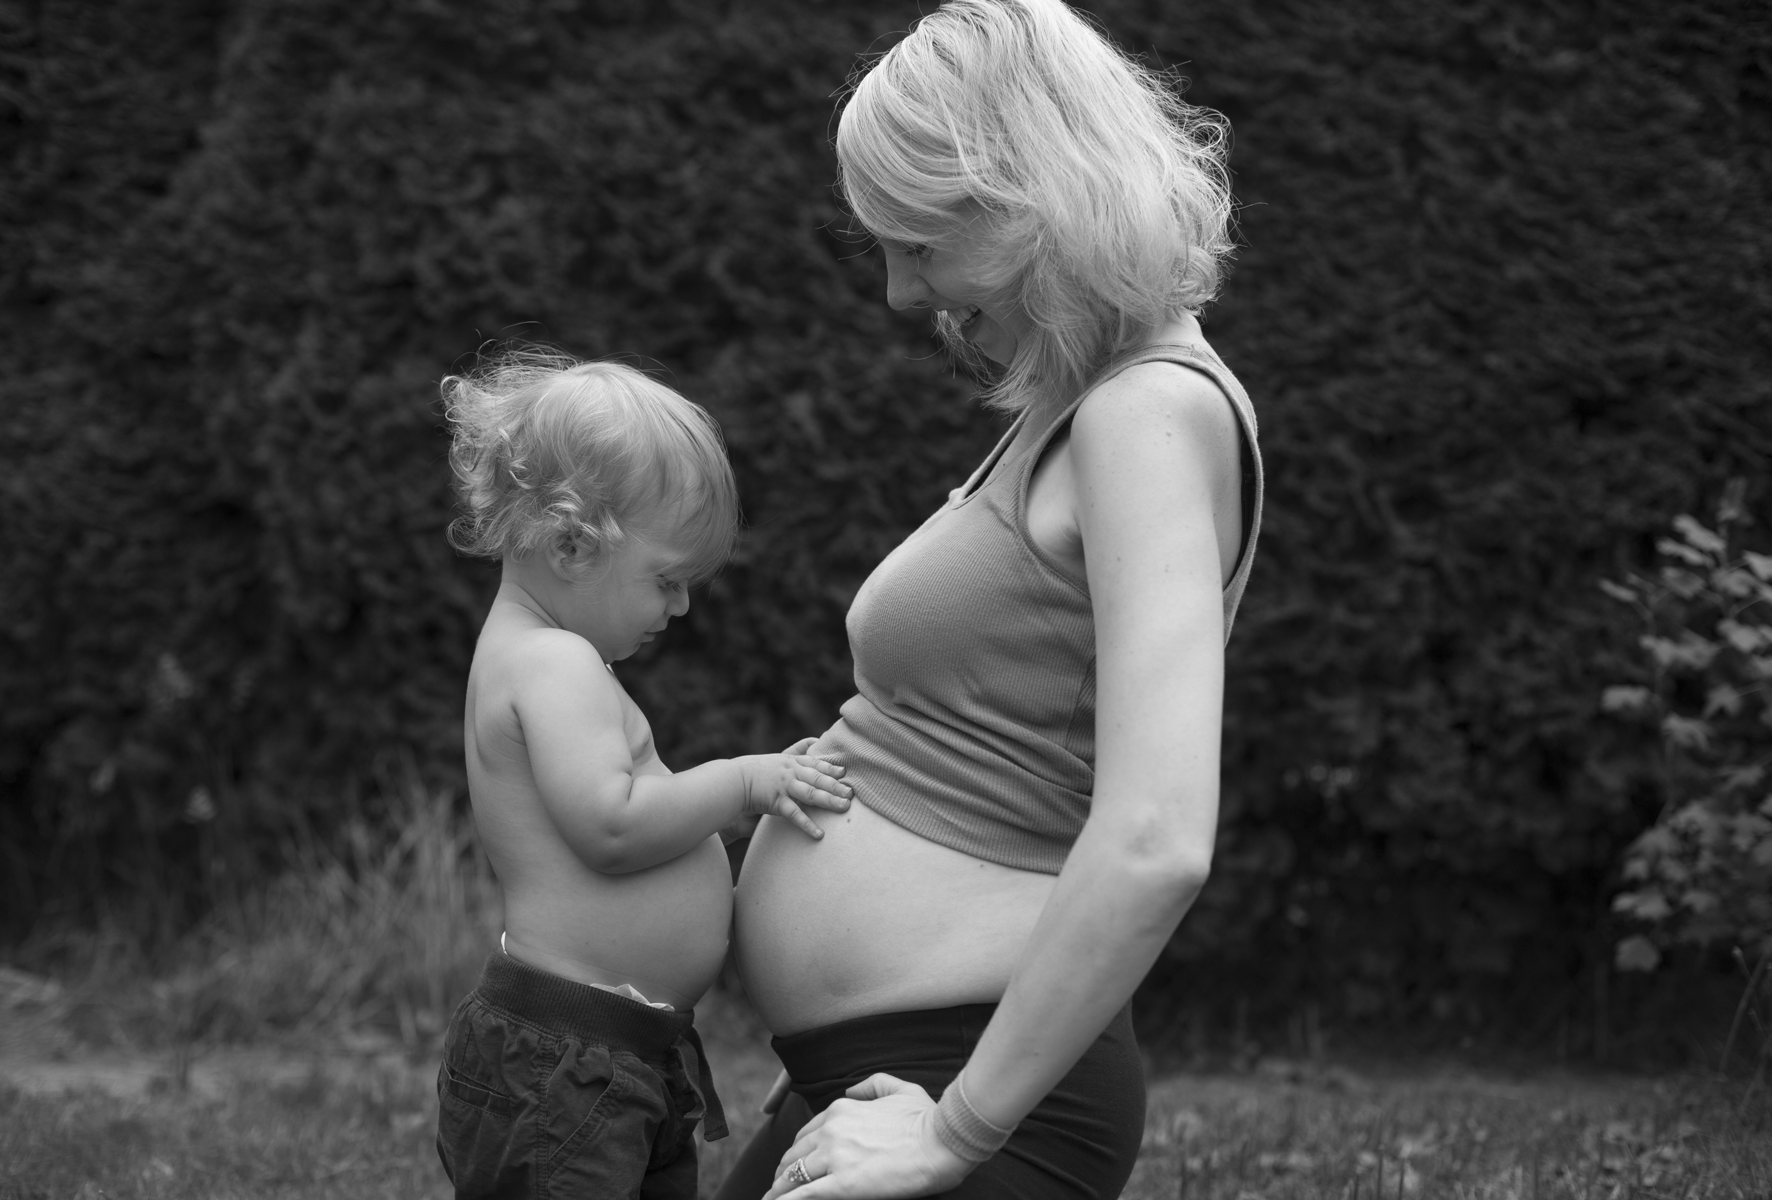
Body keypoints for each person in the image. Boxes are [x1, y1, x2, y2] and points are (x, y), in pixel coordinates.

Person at [714, 1, 1260, 1196]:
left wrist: (955, 1133)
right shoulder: (1086, 405)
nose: (899, 293)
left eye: (918, 244)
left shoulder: (1148, 414)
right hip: (890, 1070)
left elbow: (1158, 838)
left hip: (979, 1090)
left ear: (1035, 198)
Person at [434, 349, 856, 1200]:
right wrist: (744, 784)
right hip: (567, 1064)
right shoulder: (554, 664)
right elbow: (613, 826)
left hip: (608, 1051)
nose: (682, 605)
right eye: (667, 580)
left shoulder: (532, 654)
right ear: (571, 544)